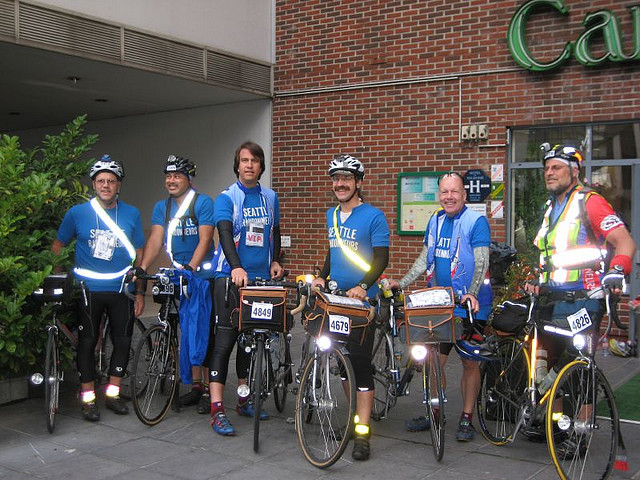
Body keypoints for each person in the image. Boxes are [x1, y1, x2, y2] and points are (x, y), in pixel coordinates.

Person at [525, 144, 636, 454]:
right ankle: (559, 425)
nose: (549, 172)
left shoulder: (591, 203)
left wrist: (616, 270)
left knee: (580, 365)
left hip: (585, 300)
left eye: (556, 167)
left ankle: (581, 432)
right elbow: (550, 255)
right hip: (553, 297)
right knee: (544, 363)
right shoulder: (551, 207)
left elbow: (624, 242)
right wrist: (537, 279)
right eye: (546, 167)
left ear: (574, 171)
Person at [388, 171, 493, 442]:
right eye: (444, 192)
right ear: (439, 195)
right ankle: (436, 411)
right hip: (441, 304)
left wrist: (470, 293)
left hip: (471, 306)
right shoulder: (435, 220)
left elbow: (481, 261)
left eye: (454, 191)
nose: (449, 197)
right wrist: (404, 281)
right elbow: (426, 257)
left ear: (464, 194)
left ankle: (467, 417)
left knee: (470, 363)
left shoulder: (476, 221)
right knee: (434, 361)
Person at [52, 155, 146, 421]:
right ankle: (88, 398)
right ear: (93, 185)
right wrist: (59, 277)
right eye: (101, 181)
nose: (106, 185)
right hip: (88, 289)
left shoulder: (131, 213)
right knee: (87, 342)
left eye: (111, 181)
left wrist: (138, 290)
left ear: (118, 186)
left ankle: (113, 392)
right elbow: (58, 246)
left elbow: (139, 252)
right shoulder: (78, 213)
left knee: (123, 341)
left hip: (120, 289)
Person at [311, 154, 390, 461]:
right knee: (343, 367)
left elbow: (382, 258)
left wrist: (363, 286)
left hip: (361, 303)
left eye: (346, 179)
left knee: (360, 366)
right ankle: (355, 420)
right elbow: (333, 253)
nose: (339, 184)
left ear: (359, 183)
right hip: (335, 301)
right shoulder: (331, 215)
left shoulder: (373, 216)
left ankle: (363, 433)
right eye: (336, 179)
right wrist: (321, 276)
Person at [208, 141, 284, 436]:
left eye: (254, 160)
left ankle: (242, 398)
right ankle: (216, 410)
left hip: (260, 280)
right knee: (225, 342)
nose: (249, 165)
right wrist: (236, 267)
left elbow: (275, 231)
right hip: (229, 278)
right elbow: (225, 234)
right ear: (237, 166)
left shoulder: (270, 197)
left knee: (249, 341)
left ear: (261, 166)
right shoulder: (227, 197)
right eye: (243, 160)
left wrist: (275, 259)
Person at [137, 155, 216, 413]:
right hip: (176, 275)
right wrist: (142, 267)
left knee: (201, 332)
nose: (171, 180)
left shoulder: (202, 202)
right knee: (176, 328)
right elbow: (156, 239)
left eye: (177, 176)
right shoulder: (163, 207)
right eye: (168, 176)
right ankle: (192, 385)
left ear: (188, 178)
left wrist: (192, 268)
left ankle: (206, 388)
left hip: (200, 277)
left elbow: (205, 239)